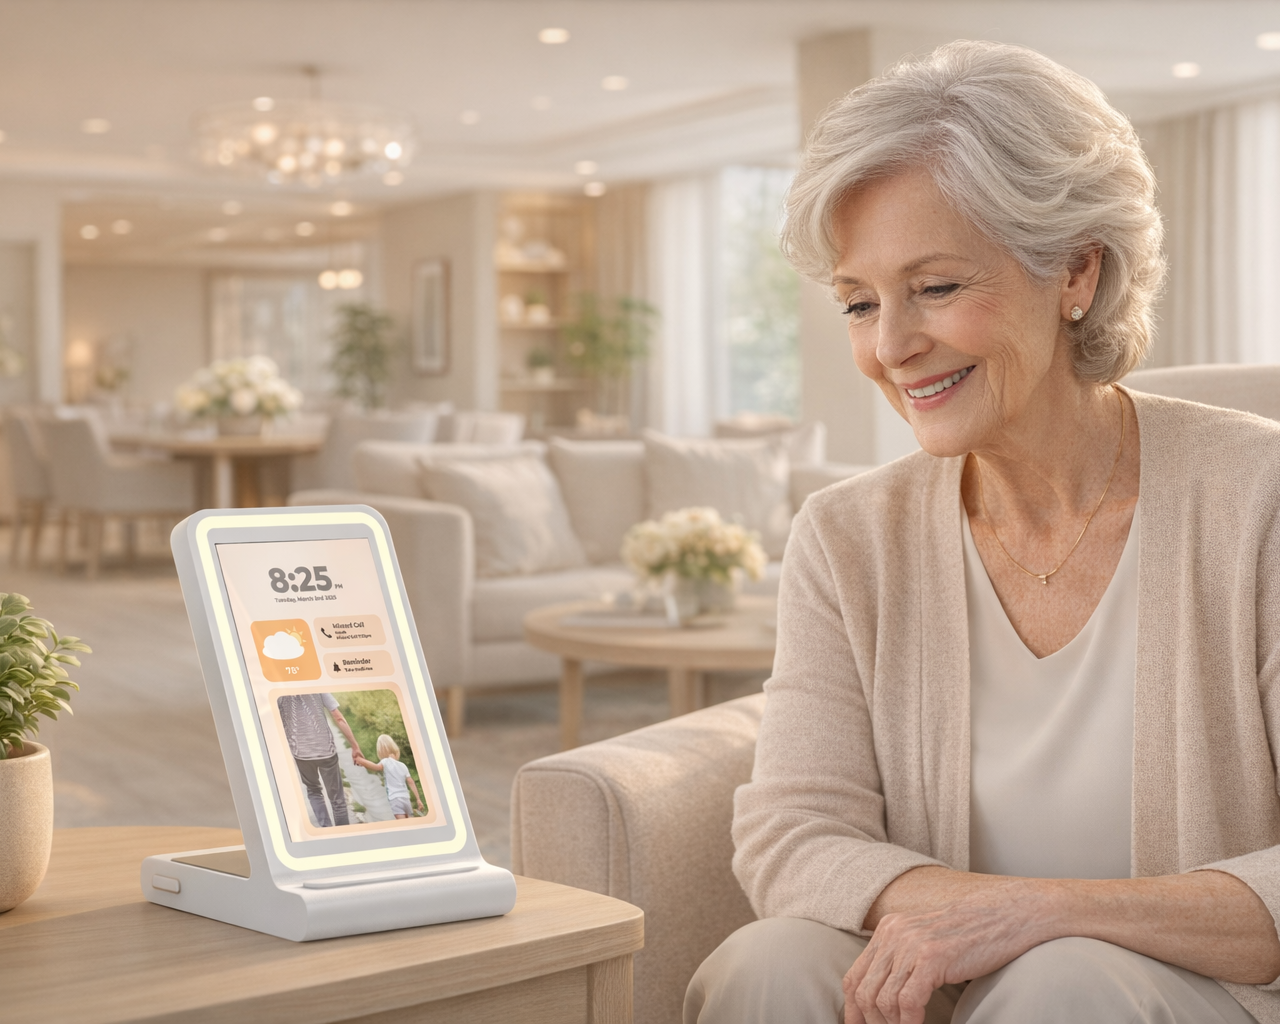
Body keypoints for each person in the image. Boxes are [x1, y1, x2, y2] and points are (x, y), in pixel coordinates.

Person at [685, 40, 1280, 1024]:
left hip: (1209, 994)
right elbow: (793, 831)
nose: (888, 346)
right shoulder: (845, 535)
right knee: (771, 962)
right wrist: (966, 923)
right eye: (858, 302)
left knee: (1063, 982)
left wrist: (1035, 917)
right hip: (940, 989)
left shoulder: (1257, 498)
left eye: (934, 287)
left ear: (1073, 272)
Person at [276, 692, 363, 828]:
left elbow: (275, 724)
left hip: (301, 754)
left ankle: (327, 831)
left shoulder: (278, 694)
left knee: (314, 791)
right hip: (326, 752)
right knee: (337, 800)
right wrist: (355, 746)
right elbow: (338, 717)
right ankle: (345, 836)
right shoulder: (315, 687)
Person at [354, 734, 425, 820]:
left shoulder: (385, 761)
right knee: (410, 821)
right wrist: (418, 799)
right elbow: (411, 782)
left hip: (395, 799)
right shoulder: (403, 765)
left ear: (380, 751)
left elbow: (376, 767)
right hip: (406, 798)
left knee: (402, 824)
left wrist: (361, 761)